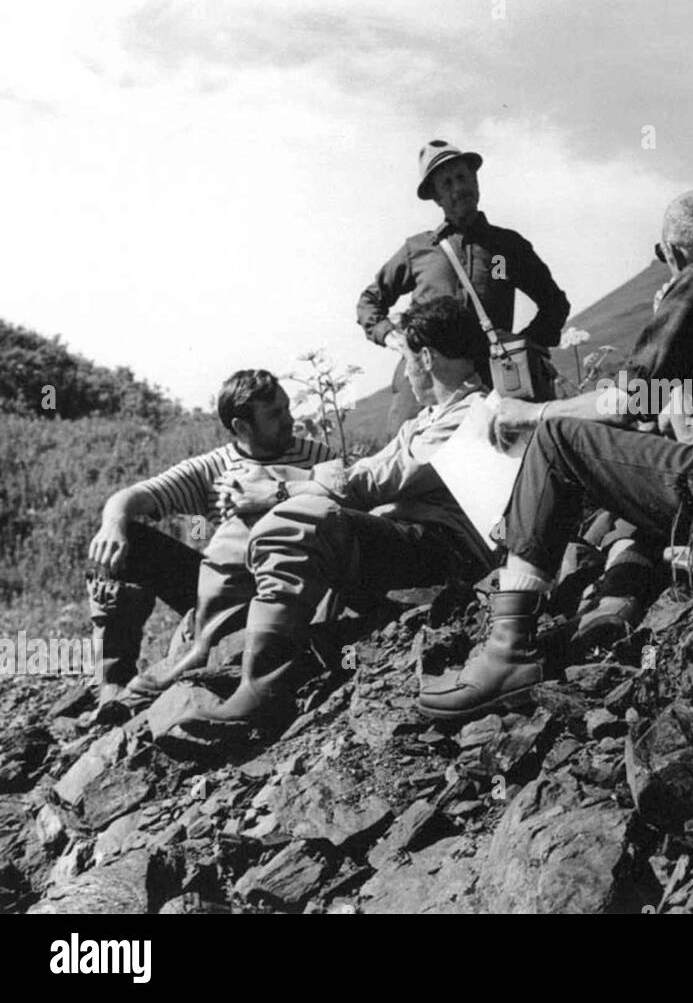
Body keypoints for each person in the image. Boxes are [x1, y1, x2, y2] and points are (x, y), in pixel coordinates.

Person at [416, 189, 693, 724]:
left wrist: (532, 414)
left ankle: (507, 651)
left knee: (559, 439)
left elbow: (628, 398)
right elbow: (665, 405)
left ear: (673, 253)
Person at [164, 296, 497, 741]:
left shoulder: (474, 412)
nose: (404, 373)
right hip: (404, 538)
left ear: (426, 357)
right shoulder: (425, 420)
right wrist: (279, 483)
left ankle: (261, 691)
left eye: (405, 360)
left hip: (443, 550)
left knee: (299, 519)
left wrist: (280, 487)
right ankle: (220, 646)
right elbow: (356, 476)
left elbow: (374, 481)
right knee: (254, 520)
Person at [86, 372, 337, 714]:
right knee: (123, 539)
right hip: (227, 585)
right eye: (275, 414)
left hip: (293, 583)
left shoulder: (316, 456)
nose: (290, 420)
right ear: (242, 427)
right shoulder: (212, 467)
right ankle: (113, 684)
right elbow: (133, 496)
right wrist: (113, 525)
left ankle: (215, 653)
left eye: (287, 408)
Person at [357, 138, 571, 434]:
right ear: (436, 197)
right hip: (425, 379)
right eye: (446, 183)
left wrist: (523, 344)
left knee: (504, 456)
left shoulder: (506, 247)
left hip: (489, 381)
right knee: (410, 458)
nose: (458, 189)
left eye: (462, 177)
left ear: (476, 180)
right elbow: (369, 301)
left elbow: (554, 304)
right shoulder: (418, 249)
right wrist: (397, 341)